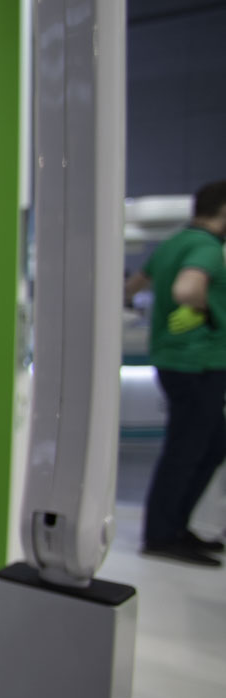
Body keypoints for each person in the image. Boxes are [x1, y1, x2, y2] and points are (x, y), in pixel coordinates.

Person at [127, 180, 226, 567]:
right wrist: (207, 312)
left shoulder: (171, 244)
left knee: (210, 444)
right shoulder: (207, 248)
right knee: (187, 449)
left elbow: (131, 287)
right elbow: (187, 290)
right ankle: (162, 534)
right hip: (197, 362)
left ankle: (175, 526)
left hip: (175, 360)